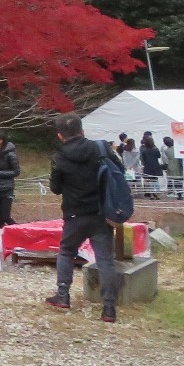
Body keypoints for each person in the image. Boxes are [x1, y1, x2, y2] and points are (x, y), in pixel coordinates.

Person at [46, 114, 119, 323]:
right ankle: (109, 308)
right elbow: (117, 172)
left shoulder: (59, 157)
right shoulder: (100, 149)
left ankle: (63, 295)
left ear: (60, 136)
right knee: (105, 260)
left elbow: (55, 188)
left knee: (66, 252)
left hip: (74, 212)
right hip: (100, 212)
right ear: (82, 130)